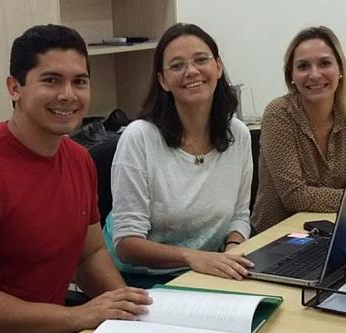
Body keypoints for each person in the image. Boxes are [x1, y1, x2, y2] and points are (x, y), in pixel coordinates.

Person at [0, 24, 152, 333]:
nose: (68, 95)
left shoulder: (79, 159)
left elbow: (90, 255)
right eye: (51, 80)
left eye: (80, 82)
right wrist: (76, 317)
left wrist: (128, 309)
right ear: (14, 88)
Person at [103, 23, 254, 288]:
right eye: (177, 66)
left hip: (206, 274)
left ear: (218, 67)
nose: (191, 71)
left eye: (201, 60)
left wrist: (232, 251)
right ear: (162, 80)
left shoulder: (238, 134)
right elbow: (127, 244)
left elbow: (239, 216)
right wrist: (192, 258)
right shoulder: (139, 138)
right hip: (136, 280)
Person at [251, 25, 346, 233]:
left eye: (324, 63)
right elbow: (294, 196)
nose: (315, 74)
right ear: (292, 76)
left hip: (332, 227)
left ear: (340, 70)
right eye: (303, 66)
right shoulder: (279, 114)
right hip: (277, 237)